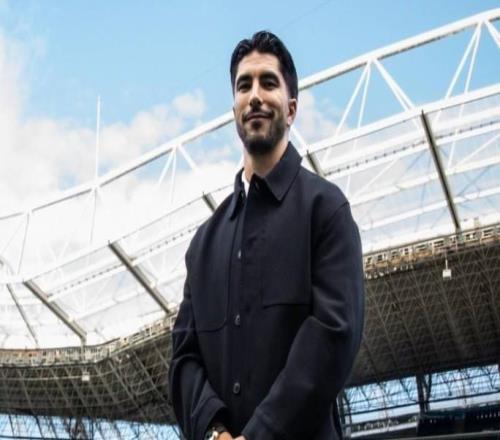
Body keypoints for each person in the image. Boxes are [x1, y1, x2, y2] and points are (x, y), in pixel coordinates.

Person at [169, 31, 364, 440]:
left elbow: (333, 336)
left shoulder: (326, 210)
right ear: (235, 109)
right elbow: (184, 360)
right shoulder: (202, 246)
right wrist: (215, 432)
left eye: (268, 83)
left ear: (291, 109)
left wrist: (259, 435)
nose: (255, 95)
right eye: (244, 85)